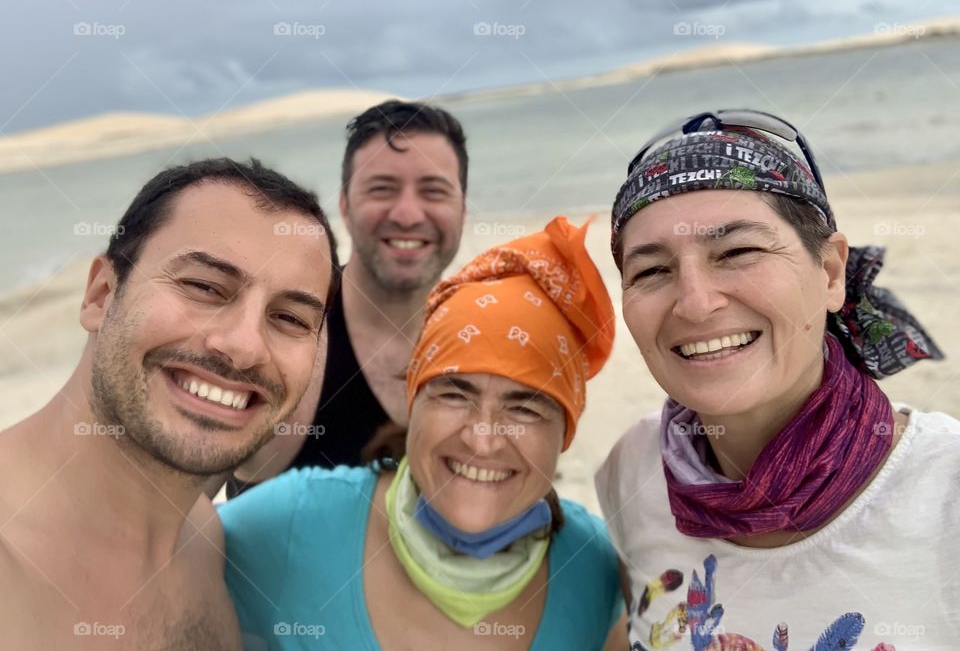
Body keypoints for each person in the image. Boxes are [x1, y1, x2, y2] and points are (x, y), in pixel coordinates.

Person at [594, 110, 957, 650]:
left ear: (830, 273)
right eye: (651, 271)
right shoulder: (635, 469)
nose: (695, 303)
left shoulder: (944, 492)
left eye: (738, 252)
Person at [220, 217, 627, 650]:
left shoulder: (595, 567)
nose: (483, 439)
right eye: (455, 394)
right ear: (412, 403)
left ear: (564, 433)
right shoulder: (286, 525)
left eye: (524, 408)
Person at [0, 158, 339, 649]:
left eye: (288, 317)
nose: (245, 346)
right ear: (100, 295)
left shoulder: (206, 541)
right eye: (204, 286)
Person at [227, 100, 468, 497]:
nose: (408, 213)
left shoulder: (484, 337)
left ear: (462, 208)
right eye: (382, 189)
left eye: (434, 191)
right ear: (344, 204)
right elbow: (165, 504)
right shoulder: (282, 334)